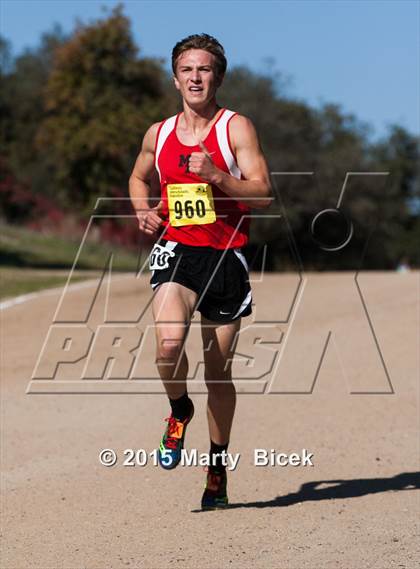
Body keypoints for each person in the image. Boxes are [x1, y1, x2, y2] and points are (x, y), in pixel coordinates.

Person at [129, 33, 272, 510]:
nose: (195, 77)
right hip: (177, 250)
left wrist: (216, 176)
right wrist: (143, 208)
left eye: (204, 69)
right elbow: (138, 175)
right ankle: (178, 410)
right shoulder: (159, 133)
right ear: (175, 78)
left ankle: (217, 465)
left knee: (218, 372)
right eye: (187, 69)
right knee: (167, 346)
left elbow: (263, 193)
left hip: (226, 256)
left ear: (218, 77)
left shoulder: (236, 129)